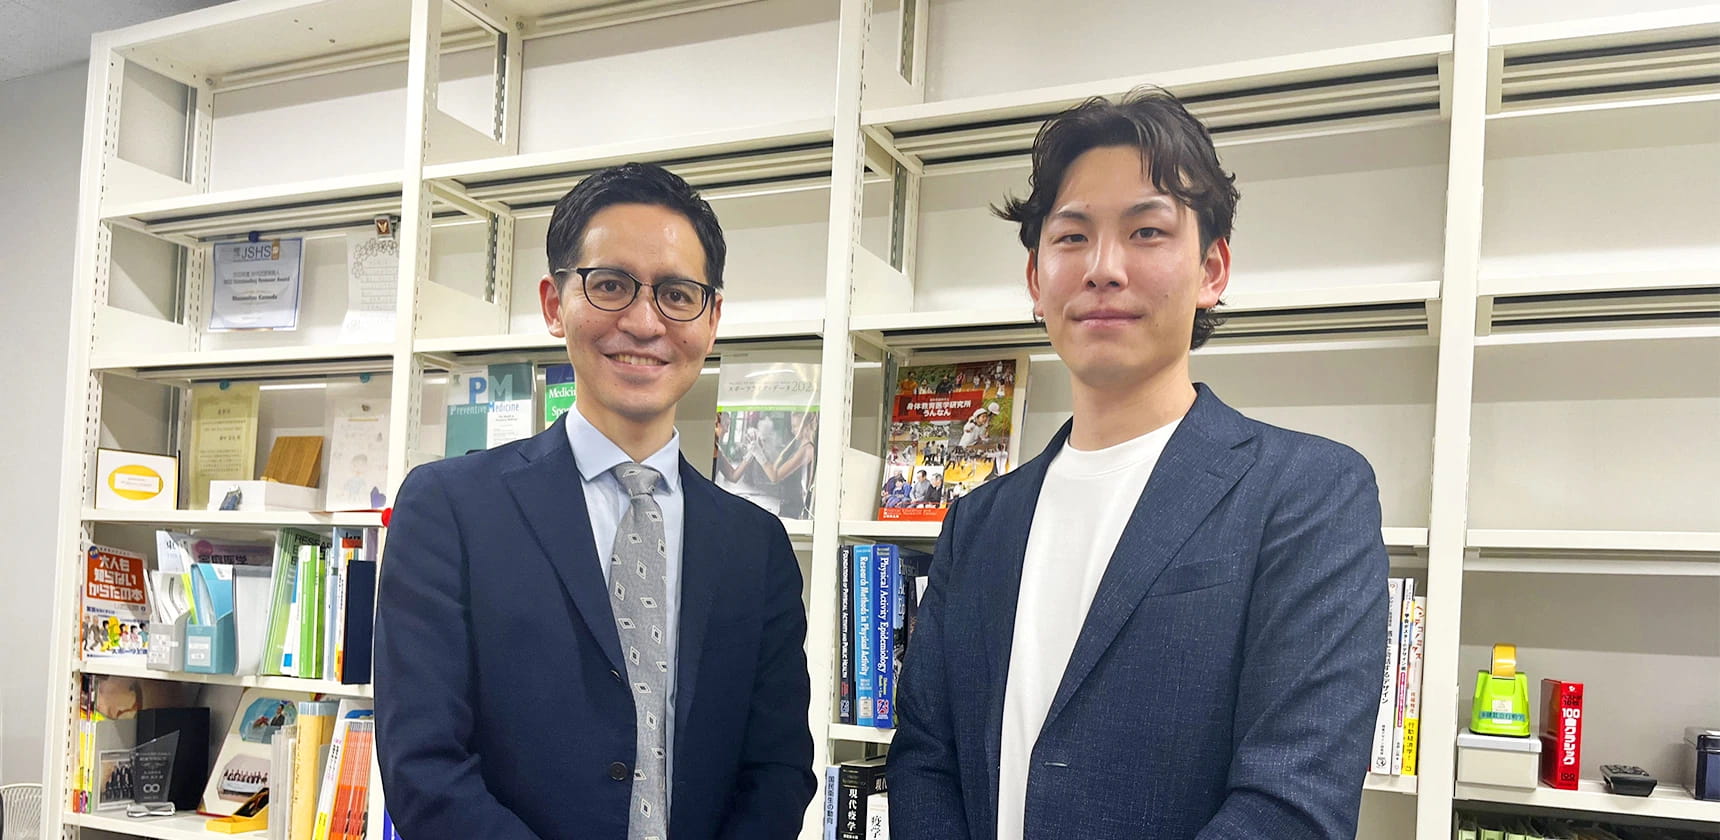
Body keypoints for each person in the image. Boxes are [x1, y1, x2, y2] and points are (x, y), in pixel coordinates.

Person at [888, 88, 1389, 840]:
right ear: (1036, 281)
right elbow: (926, 761)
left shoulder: (1309, 494)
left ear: (1212, 269)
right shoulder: (979, 522)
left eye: (1147, 231)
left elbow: (1293, 804)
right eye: (1071, 237)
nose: (1103, 268)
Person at [376, 163, 816, 840]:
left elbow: (778, 770)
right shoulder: (450, 510)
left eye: (677, 294)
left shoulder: (755, 546)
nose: (643, 322)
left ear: (712, 319)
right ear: (555, 303)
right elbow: (424, 769)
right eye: (610, 285)